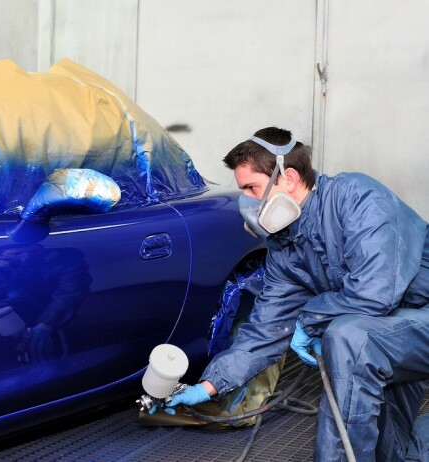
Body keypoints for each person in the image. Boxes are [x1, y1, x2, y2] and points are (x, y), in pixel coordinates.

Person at [166, 127, 428, 461]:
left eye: (251, 188)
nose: (246, 201)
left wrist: (309, 318)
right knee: (391, 453)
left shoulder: (356, 198)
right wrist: (207, 386)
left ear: (288, 178)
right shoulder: (286, 246)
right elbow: (265, 328)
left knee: (348, 336)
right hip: (390, 337)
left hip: (413, 320)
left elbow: (375, 292)